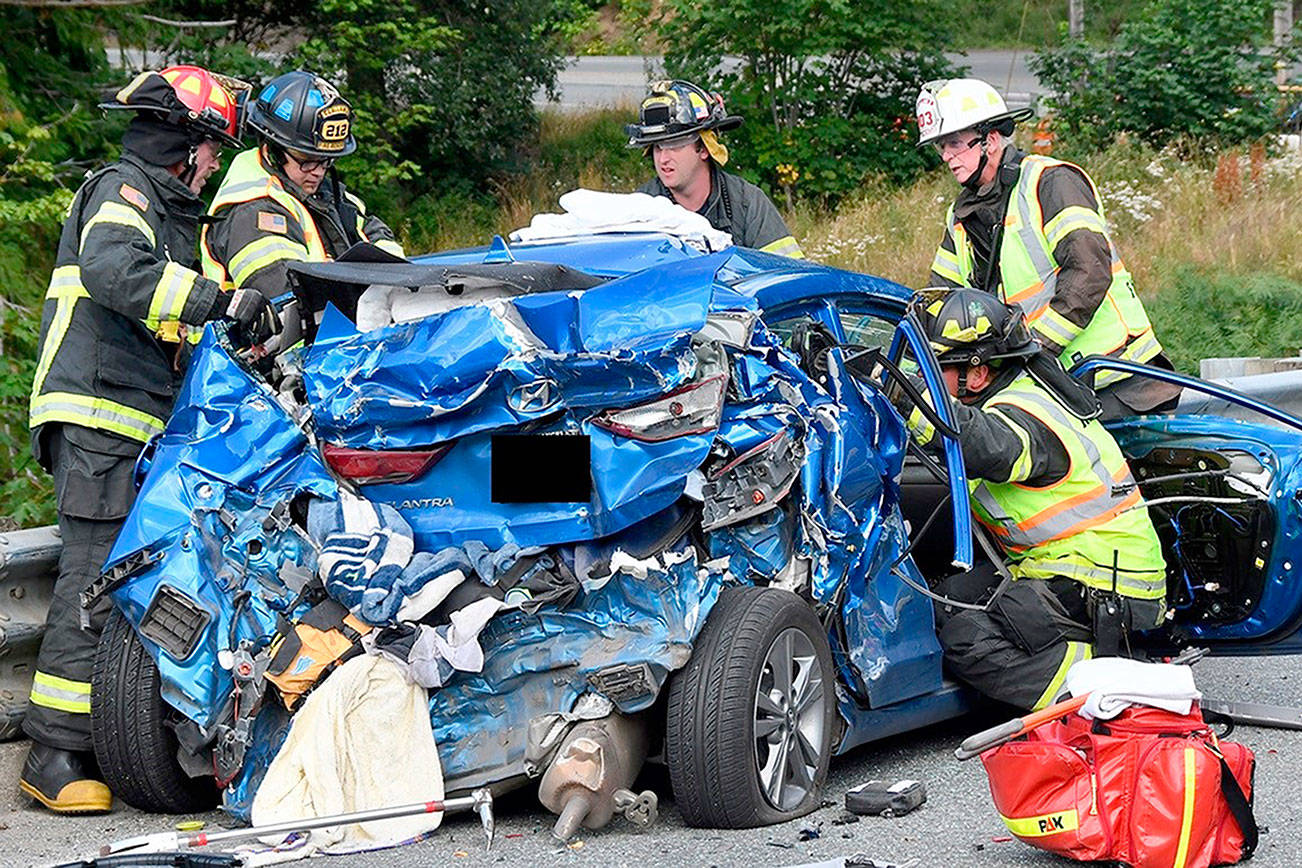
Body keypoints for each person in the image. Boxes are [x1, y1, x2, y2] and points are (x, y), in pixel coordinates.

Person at [22, 66, 279, 814]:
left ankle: (97, 739)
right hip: (99, 414)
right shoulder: (123, 192)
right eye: (209, 149)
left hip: (135, 422)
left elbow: (171, 320)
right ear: (181, 142)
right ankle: (56, 753)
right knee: (94, 580)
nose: (211, 167)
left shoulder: (169, 216)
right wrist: (218, 301)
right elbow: (114, 271)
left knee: (124, 578)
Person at [906, 289, 1168, 711]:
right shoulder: (1022, 391)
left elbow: (988, 447)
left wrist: (909, 397)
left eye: (939, 370)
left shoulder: (1022, 412)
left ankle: (1104, 685)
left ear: (977, 374)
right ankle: (1101, 664)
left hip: (1107, 583)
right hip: (1070, 568)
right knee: (945, 600)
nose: (931, 377)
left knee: (967, 639)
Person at [917, 78, 1180, 418]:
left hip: (1117, 377)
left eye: (955, 144)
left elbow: (1089, 274)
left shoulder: (1050, 183)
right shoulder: (961, 217)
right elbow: (939, 301)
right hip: (1051, 385)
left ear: (991, 140)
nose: (948, 157)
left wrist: (1032, 348)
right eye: (942, 147)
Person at [200, 70, 403, 304]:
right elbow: (286, 296)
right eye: (306, 159)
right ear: (273, 149)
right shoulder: (253, 210)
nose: (317, 171)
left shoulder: (327, 194)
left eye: (326, 160)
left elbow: (379, 238)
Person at [627, 79, 803, 258]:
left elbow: (788, 274)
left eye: (675, 145)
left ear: (704, 148)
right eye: (657, 147)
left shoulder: (746, 203)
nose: (663, 159)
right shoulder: (642, 210)